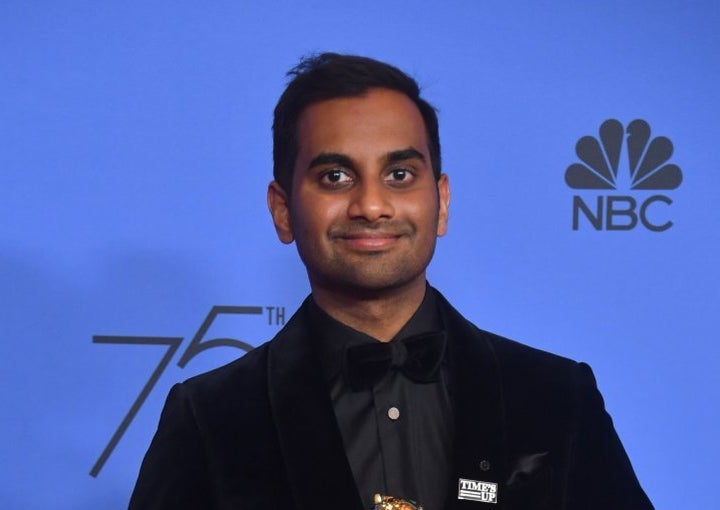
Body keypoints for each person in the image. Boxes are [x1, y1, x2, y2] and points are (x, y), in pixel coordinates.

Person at [129, 53, 653, 510]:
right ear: (283, 210)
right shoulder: (211, 417)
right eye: (335, 176)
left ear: (441, 201)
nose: (372, 206)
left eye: (399, 175)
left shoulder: (556, 395)